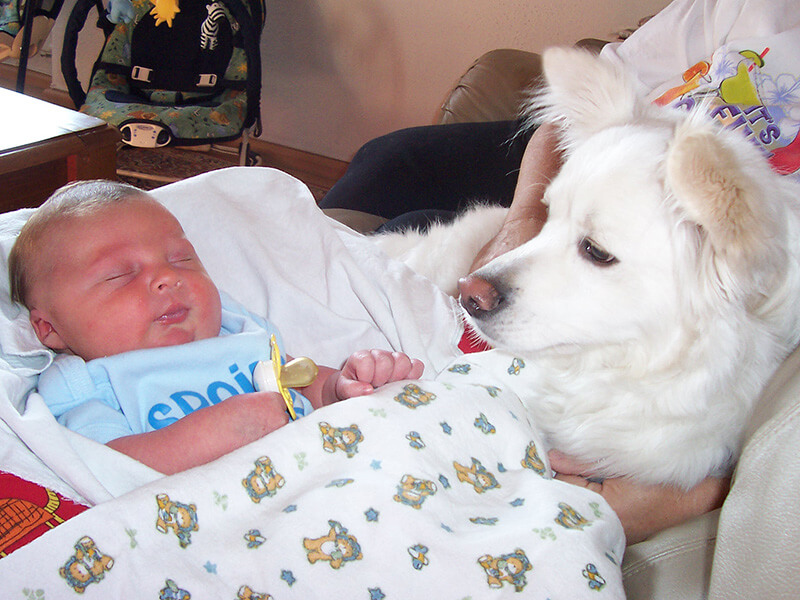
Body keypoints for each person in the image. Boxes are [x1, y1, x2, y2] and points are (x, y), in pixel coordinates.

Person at [321, 0, 800, 542]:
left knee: (408, 232)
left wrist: (711, 489)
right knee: (392, 162)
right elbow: (594, 88)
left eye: (596, 253)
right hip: (617, 164)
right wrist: (528, 218)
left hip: (703, 221)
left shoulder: (734, 259)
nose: (482, 289)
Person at [8, 180, 424, 475]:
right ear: (50, 329)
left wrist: (341, 386)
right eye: (119, 275)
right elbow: (107, 468)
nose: (167, 278)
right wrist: (219, 431)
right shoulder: (88, 382)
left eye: (181, 259)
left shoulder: (235, 333)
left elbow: (299, 379)